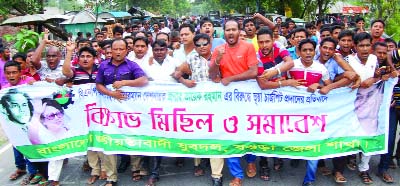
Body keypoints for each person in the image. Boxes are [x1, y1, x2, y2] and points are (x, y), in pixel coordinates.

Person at [209, 19, 258, 186]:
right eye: (227, 30)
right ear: (224, 32)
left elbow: (253, 71)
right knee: (229, 134)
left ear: (239, 31)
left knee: (249, 131)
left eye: (234, 29)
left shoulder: (248, 47)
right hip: (228, 100)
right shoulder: (218, 49)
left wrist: (230, 78)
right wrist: (217, 60)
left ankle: (251, 160)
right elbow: (212, 75)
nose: (231, 33)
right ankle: (237, 174)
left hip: (248, 97)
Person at [96, 39, 148, 186]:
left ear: (127, 50)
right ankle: (111, 177)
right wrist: (111, 94)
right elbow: (98, 84)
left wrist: (125, 83)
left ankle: (135, 168)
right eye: (115, 49)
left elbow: (143, 80)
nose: (118, 52)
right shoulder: (103, 65)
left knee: (132, 136)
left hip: (129, 111)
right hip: (109, 111)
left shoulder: (132, 65)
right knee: (109, 140)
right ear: (110, 50)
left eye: (121, 49)